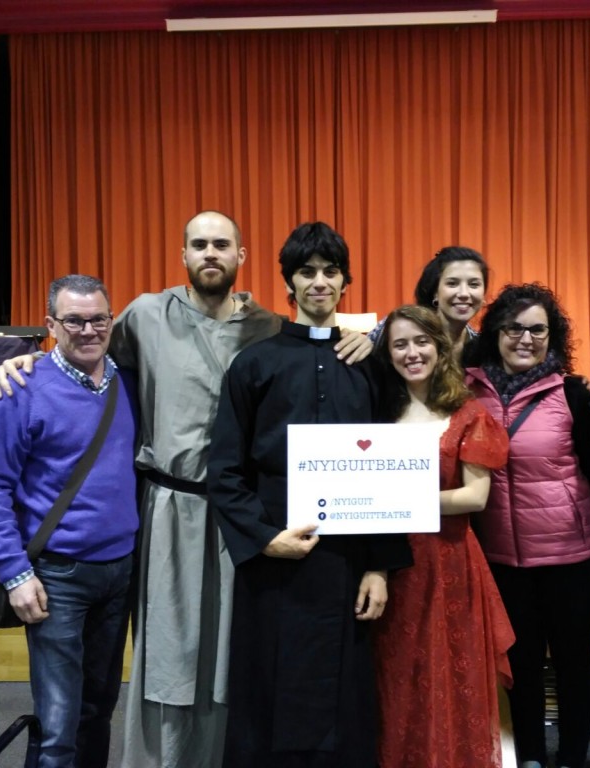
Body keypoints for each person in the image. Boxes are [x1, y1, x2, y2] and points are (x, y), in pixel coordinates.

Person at [0, 211, 371, 768]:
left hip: (244, 514)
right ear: (184, 256)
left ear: (241, 257)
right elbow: (86, 353)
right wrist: (28, 361)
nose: (210, 253)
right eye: (200, 244)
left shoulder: (266, 328)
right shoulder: (147, 316)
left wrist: (361, 339)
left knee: (232, 653)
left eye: (222, 244)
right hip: (169, 509)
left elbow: (315, 343)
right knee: (170, 652)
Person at [207, 221, 413, 768]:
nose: (319, 282)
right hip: (274, 561)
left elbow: (388, 471)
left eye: (330, 271)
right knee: (268, 688)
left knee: (346, 695)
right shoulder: (254, 364)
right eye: (307, 272)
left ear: (346, 282)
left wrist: (380, 567)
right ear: (289, 283)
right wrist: (264, 538)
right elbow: (225, 468)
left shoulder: (370, 366)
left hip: (349, 561)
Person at [0, 274, 139, 768]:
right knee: (59, 726)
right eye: (74, 321)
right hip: (57, 577)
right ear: (50, 325)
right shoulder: (20, 388)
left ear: (111, 320)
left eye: (98, 319)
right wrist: (14, 573)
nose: (88, 330)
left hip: (120, 573)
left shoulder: (128, 382)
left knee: (98, 712)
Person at [466, 283, 590, 768]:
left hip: (573, 558)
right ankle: (528, 756)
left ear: (553, 336)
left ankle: (571, 758)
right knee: (520, 665)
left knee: (573, 664)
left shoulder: (572, 394)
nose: (525, 339)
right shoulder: (465, 392)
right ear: (495, 333)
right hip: (501, 559)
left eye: (537, 330)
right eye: (514, 328)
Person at [371, 304, 514, 768]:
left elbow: (475, 496)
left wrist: (399, 499)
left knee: (451, 676)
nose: (412, 353)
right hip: (390, 565)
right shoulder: (377, 411)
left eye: (421, 342)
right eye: (400, 344)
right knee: (396, 675)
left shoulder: (467, 412)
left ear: (439, 346)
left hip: (448, 563)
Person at [370, 246, 489, 362]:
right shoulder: (397, 326)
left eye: (474, 284)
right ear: (435, 292)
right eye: (452, 284)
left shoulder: (481, 347)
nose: (464, 293)